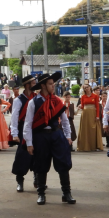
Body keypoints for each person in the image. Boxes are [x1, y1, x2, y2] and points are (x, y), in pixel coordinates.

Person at [23, 72, 75, 205]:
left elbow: (65, 120)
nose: (53, 86)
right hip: (40, 136)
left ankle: (66, 193)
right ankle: (41, 194)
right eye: (50, 84)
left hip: (56, 135)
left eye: (53, 83)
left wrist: (68, 136)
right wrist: (29, 143)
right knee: (41, 165)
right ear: (43, 85)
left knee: (63, 164)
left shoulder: (57, 100)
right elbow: (28, 124)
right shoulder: (33, 102)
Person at [10, 75, 38, 192]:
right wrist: (14, 134)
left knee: (38, 154)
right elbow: (14, 118)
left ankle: (37, 179)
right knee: (22, 155)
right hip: (23, 129)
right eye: (33, 83)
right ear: (27, 85)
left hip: (36, 128)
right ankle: (20, 181)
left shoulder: (37, 97)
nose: (35, 85)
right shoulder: (18, 100)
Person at [77, 84, 104, 152]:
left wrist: (97, 116)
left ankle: (94, 146)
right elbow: (82, 106)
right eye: (85, 88)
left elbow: (97, 106)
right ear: (84, 89)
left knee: (93, 129)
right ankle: (84, 146)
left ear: (90, 87)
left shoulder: (95, 96)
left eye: (87, 87)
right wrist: (80, 107)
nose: (87, 88)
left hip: (93, 113)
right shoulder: (83, 96)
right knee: (85, 129)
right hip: (85, 114)